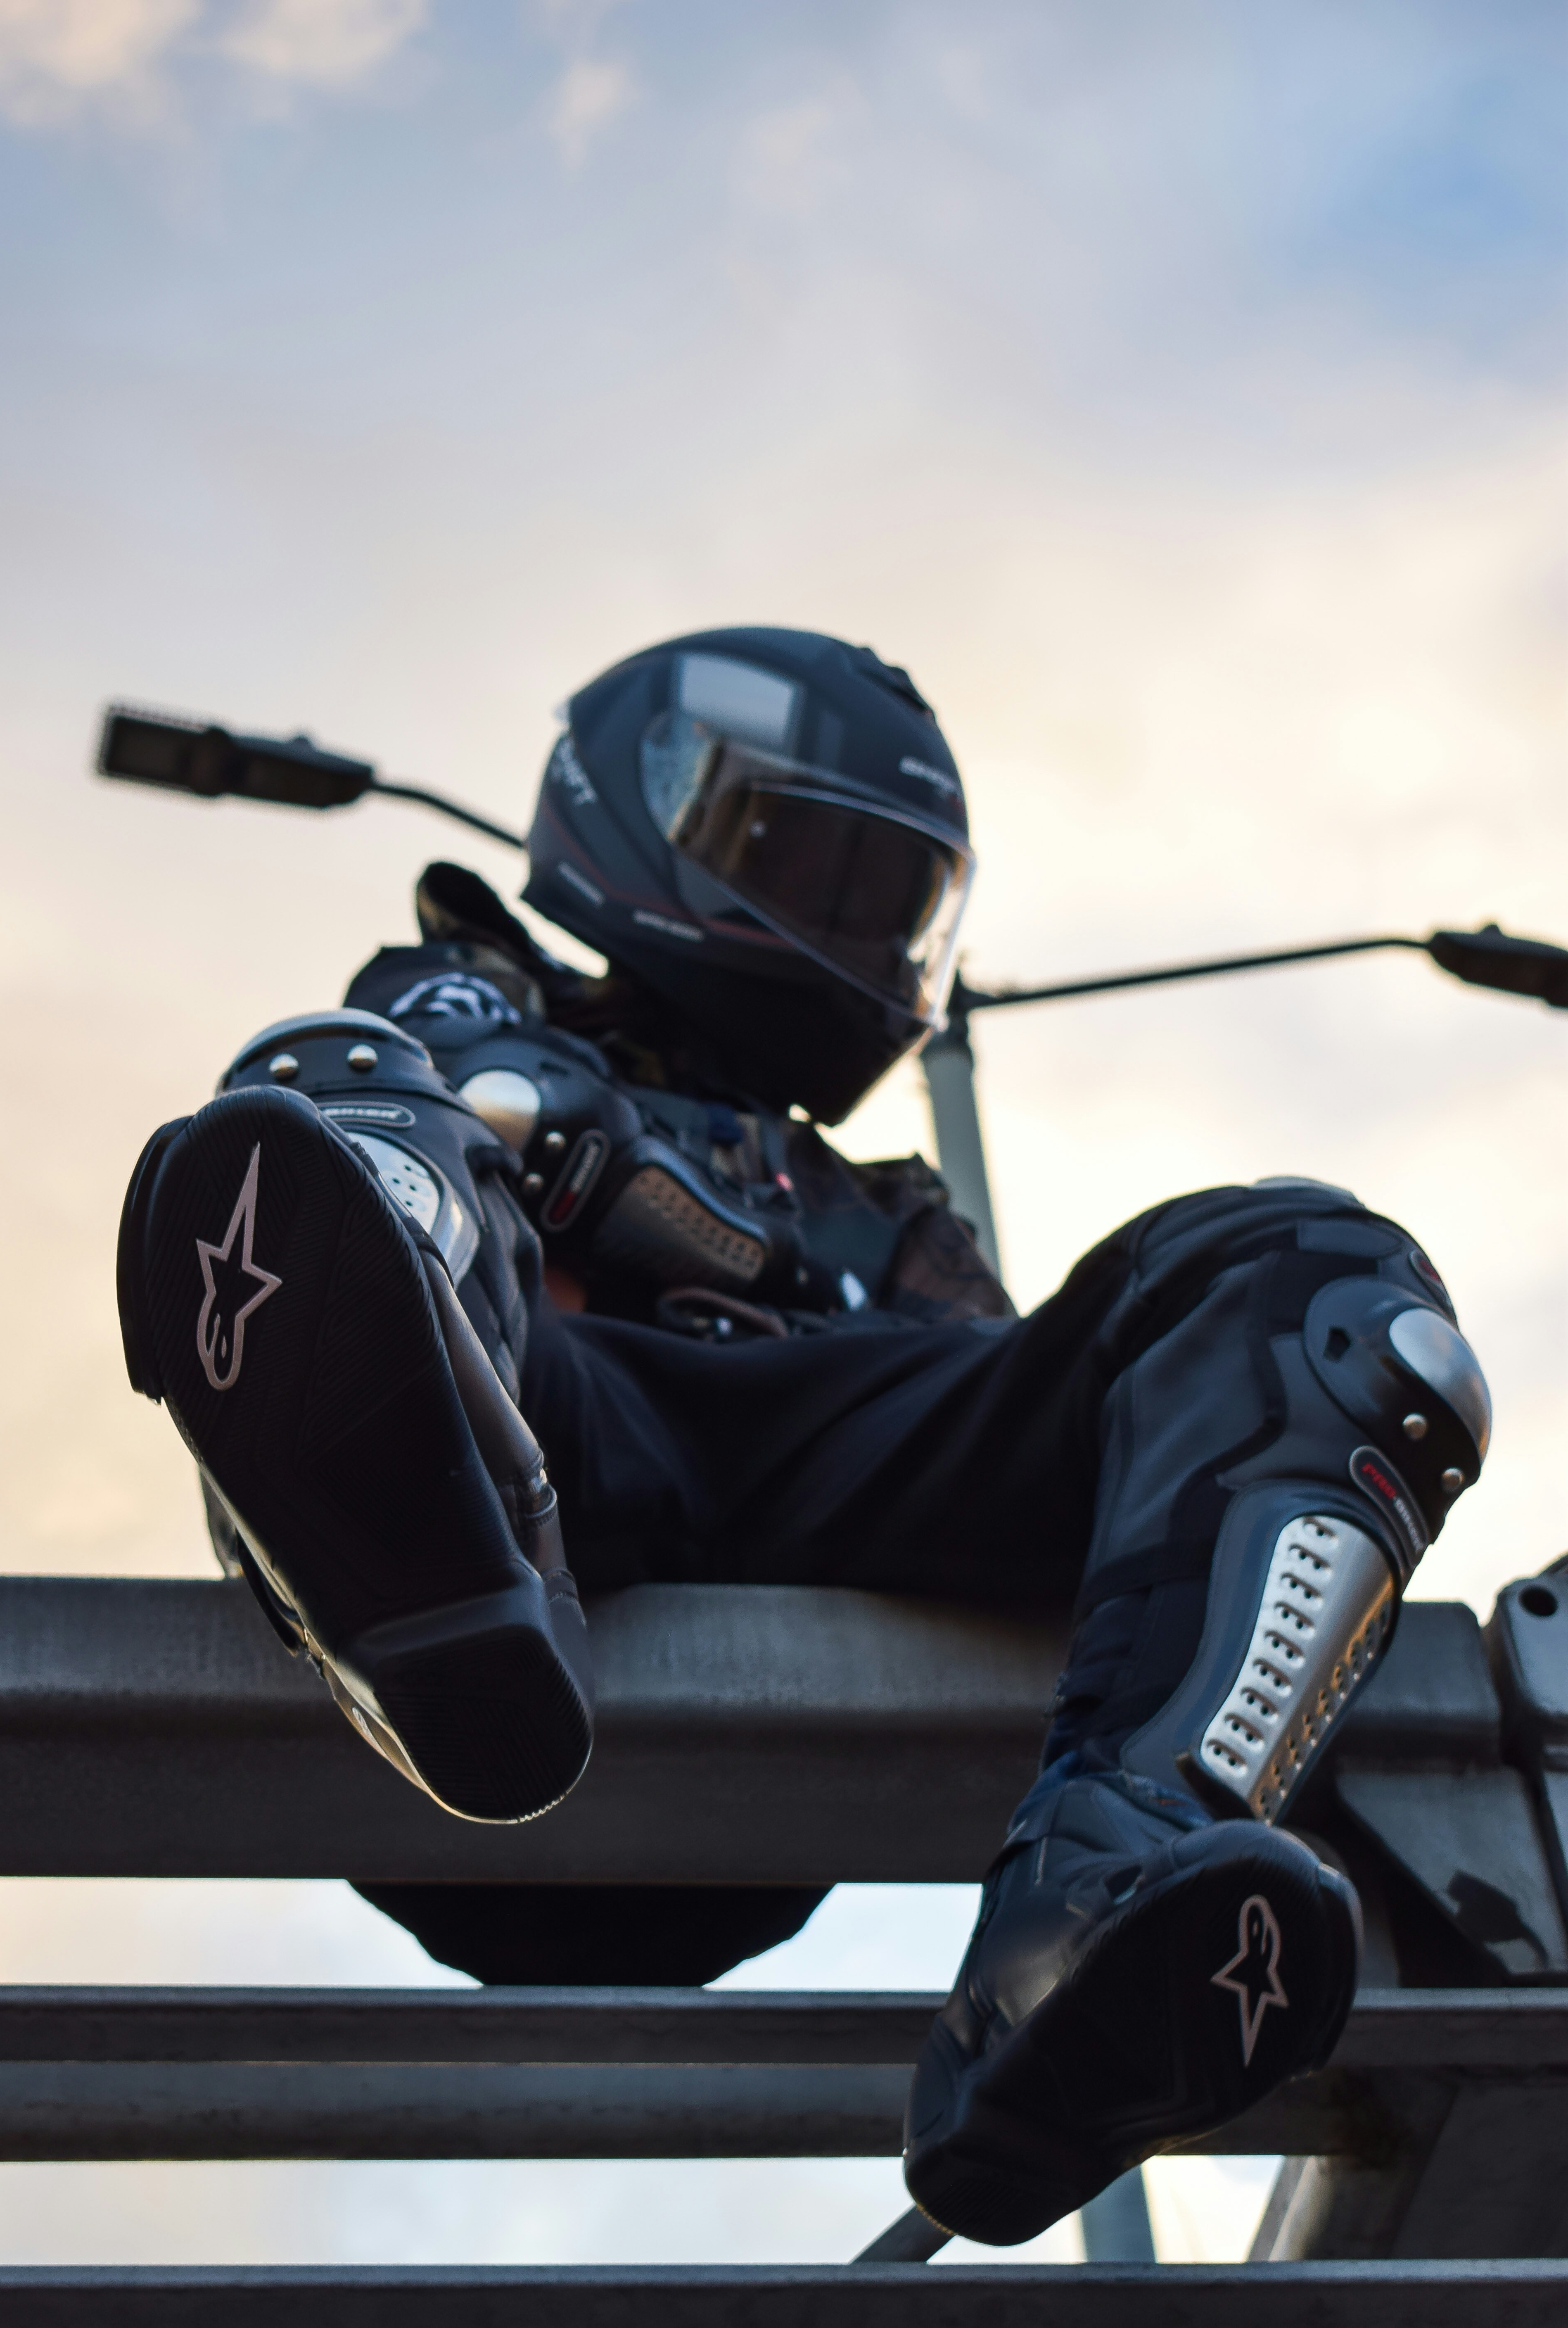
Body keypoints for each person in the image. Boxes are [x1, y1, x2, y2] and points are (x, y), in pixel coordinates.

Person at [116, 625, 1492, 2244]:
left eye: (879, 894)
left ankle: (1117, 1892)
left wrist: (693, 1223)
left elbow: (1005, 1389)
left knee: (1324, 1292)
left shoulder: (893, 1216)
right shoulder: (458, 1005)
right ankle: (406, 1569)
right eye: (798, 858)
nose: (843, 925)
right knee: (333, 1106)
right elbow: (524, 1124)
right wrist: (671, 1217)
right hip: (554, 1491)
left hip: (818, 1530)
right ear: (635, 820)